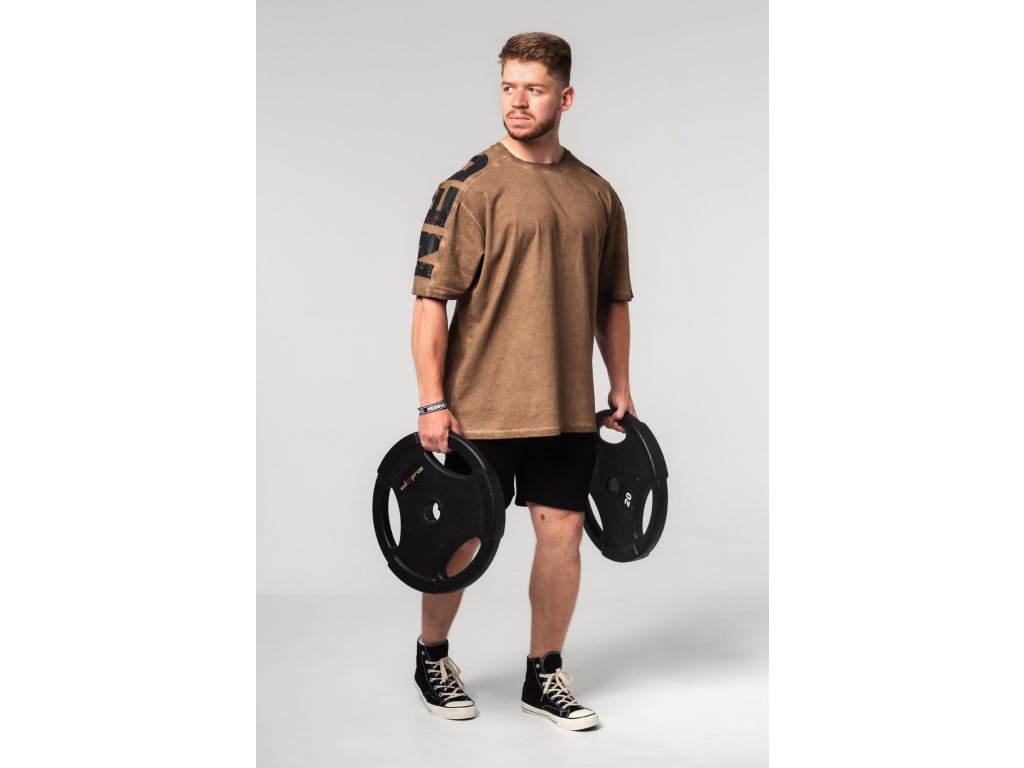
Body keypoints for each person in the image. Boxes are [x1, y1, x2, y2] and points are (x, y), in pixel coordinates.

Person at [409, 31, 636, 731]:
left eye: (533, 89)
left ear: (564, 98)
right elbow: (430, 302)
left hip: (566, 406)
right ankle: (431, 656)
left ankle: (545, 673)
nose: (517, 101)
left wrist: (620, 383)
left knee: (563, 536)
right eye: (509, 86)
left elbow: (612, 299)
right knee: (461, 542)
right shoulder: (470, 187)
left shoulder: (597, 194)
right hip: (481, 407)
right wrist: (432, 400)